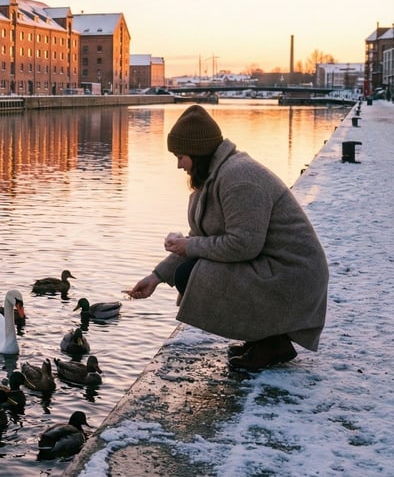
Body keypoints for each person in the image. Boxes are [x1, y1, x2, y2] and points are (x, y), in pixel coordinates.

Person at [126, 104, 328, 371]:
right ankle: (263, 339)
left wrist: (189, 246)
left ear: (197, 153)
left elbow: (244, 245)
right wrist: (157, 276)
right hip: (274, 268)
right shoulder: (216, 175)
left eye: (180, 156)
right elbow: (202, 237)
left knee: (191, 273)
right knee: (189, 269)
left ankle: (272, 343)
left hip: (292, 276)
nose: (178, 165)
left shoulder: (239, 178)